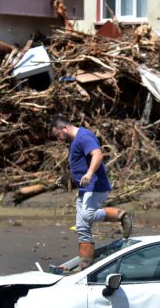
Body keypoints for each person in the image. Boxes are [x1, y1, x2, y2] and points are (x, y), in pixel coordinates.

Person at [51, 115, 132, 270]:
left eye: (58, 135)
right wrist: (69, 177)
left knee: (88, 214)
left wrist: (88, 174)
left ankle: (121, 215)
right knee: (82, 227)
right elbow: (80, 164)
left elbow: (97, 154)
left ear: (64, 128)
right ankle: (85, 267)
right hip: (85, 189)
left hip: (95, 186)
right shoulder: (75, 141)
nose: (59, 139)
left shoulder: (84, 136)